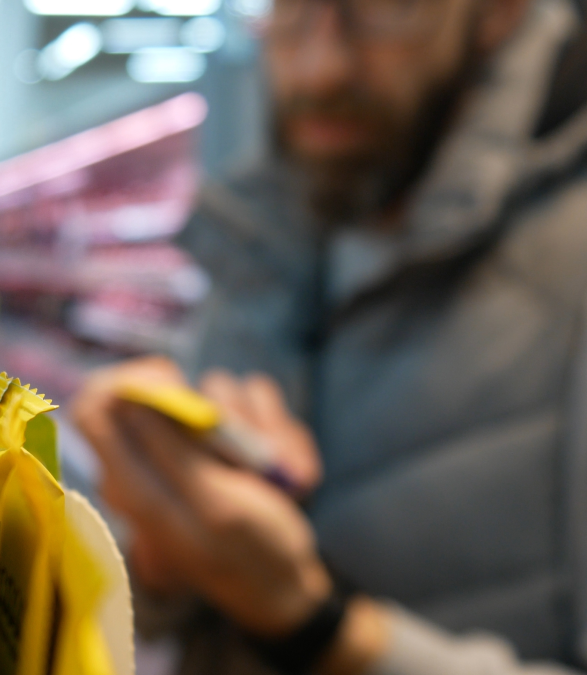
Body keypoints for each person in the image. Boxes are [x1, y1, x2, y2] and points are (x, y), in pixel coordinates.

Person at [71, 0, 587, 669]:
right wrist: (166, 548)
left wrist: (315, 625)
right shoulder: (268, 226)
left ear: (500, 12)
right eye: (290, 10)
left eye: (386, 11)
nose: (319, 69)